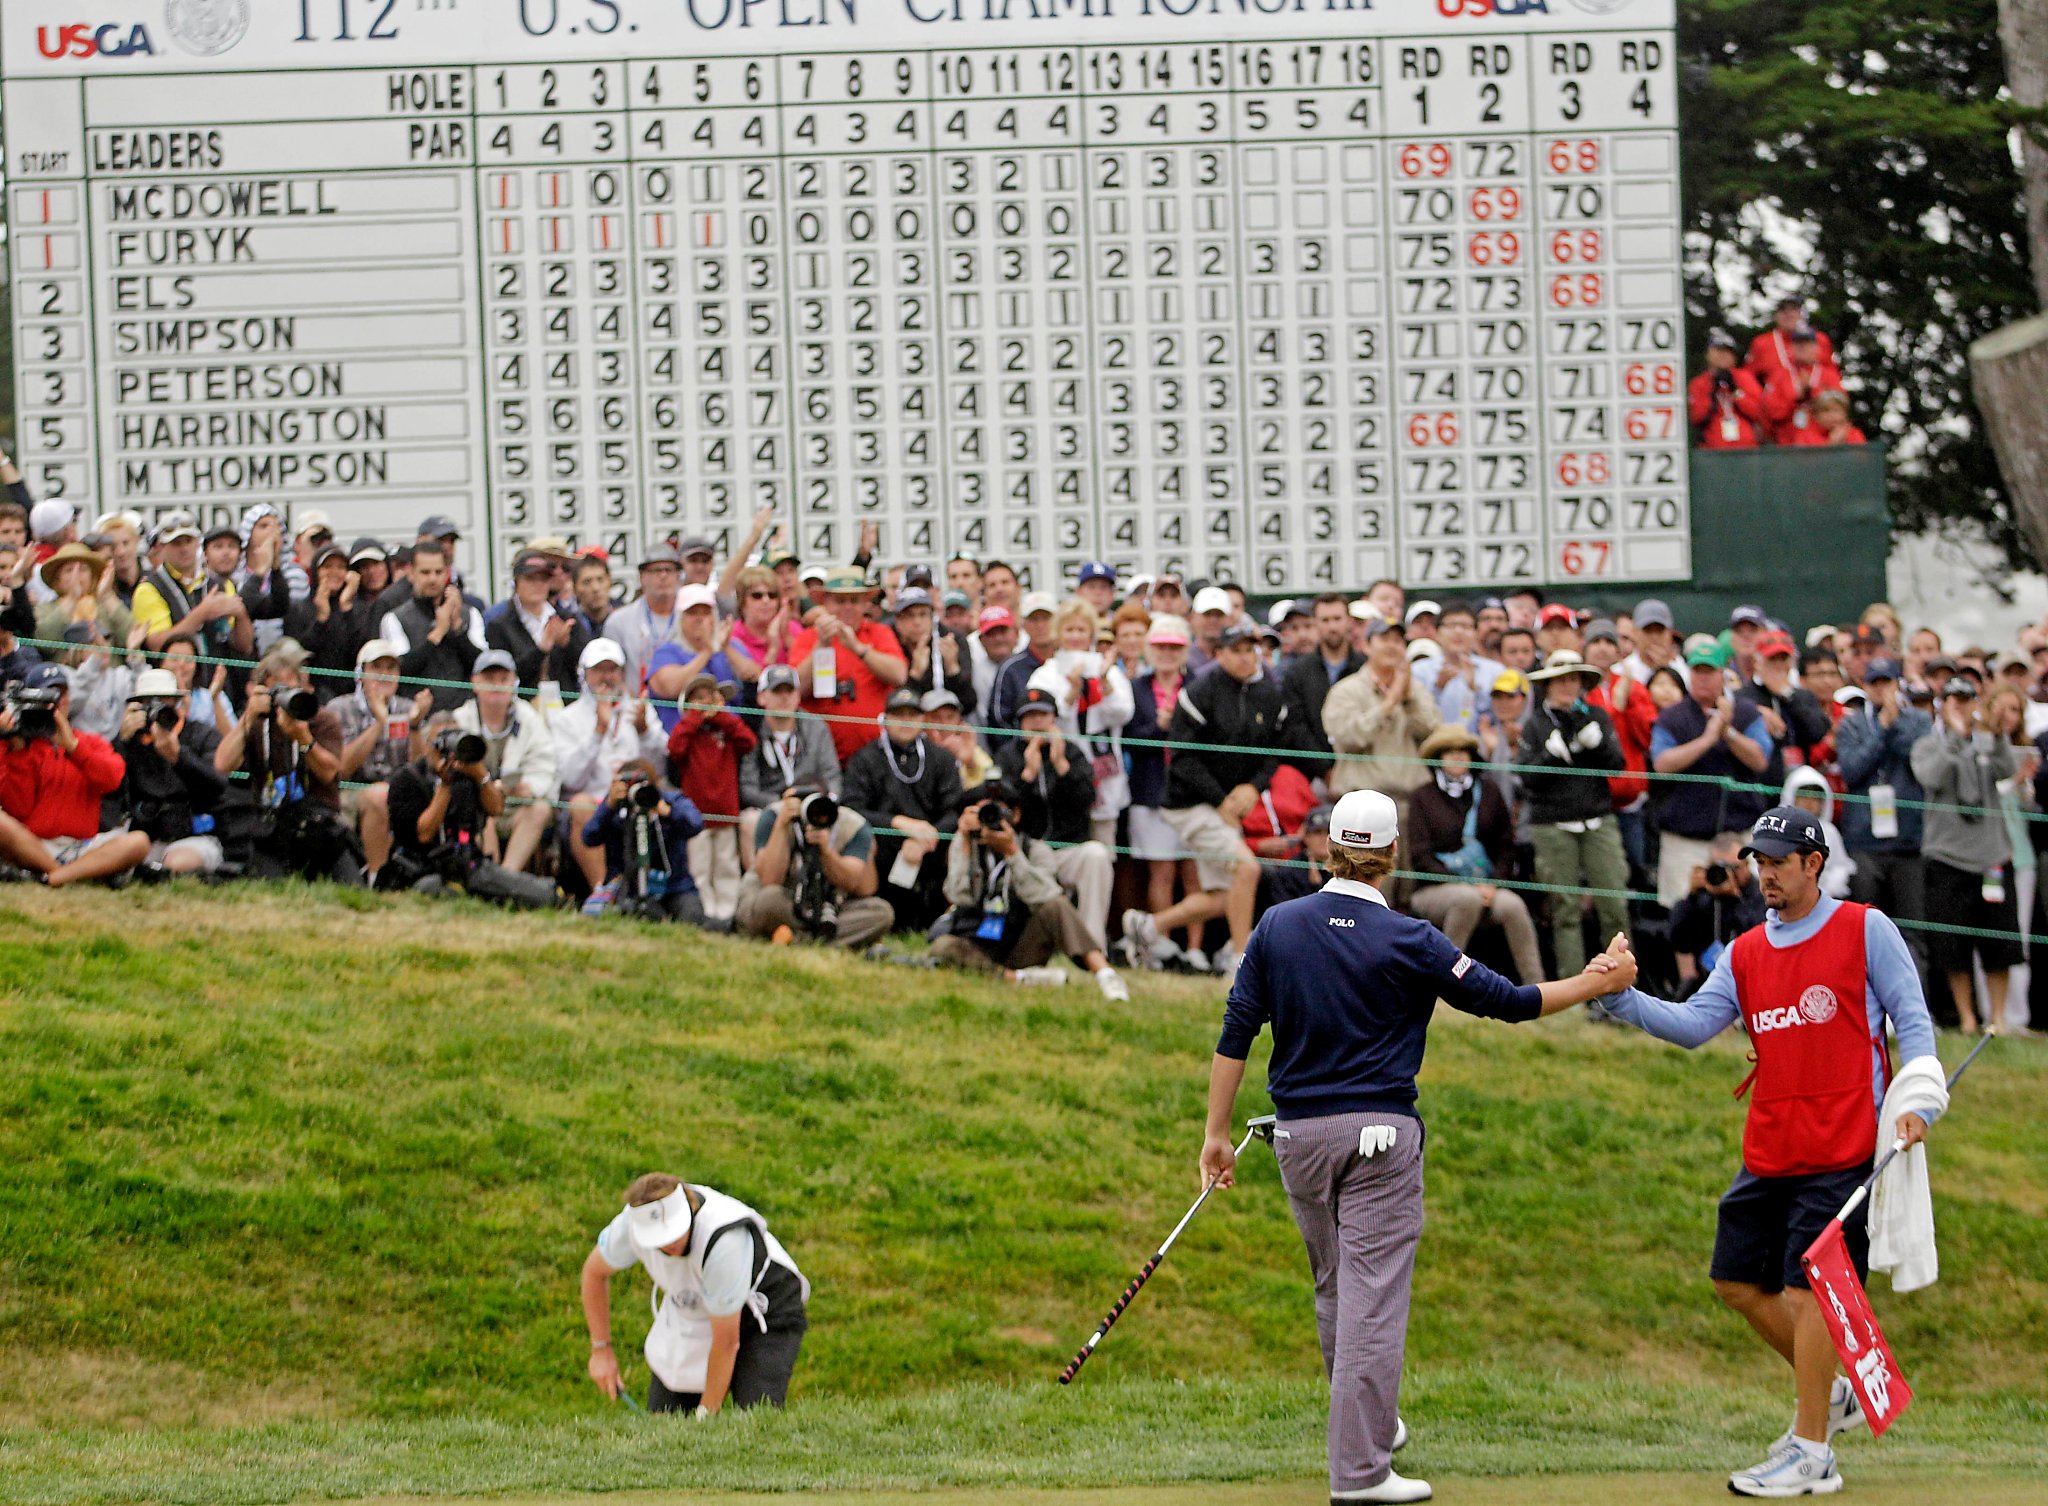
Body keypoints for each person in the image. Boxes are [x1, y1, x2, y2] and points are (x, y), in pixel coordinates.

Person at [1201, 788, 1636, 1506]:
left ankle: (1369, 1424)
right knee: (1371, 1299)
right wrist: (1599, 981)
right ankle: (1361, 1475)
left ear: (1329, 849)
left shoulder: (1278, 925)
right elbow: (1510, 1002)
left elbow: (1236, 1029)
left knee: (1336, 1288)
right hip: (1379, 1137)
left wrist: (1215, 1134)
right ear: (1392, 853)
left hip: (1299, 1138)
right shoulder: (1412, 937)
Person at [1593, 807, 1940, 1499]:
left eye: (1779, 861)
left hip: (1844, 1146)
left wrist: (1920, 1102)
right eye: (1760, 861)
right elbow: (1695, 1023)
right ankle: (1830, 1393)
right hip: (1771, 1145)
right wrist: (1621, 998)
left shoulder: (1865, 928)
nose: (1766, 874)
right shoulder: (1747, 951)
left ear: (1814, 864)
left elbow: (1913, 1021)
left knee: (1809, 1292)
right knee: (1735, 1283)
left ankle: (1813, 1454)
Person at [1120, 623, 1286, 984]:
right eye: (1236, 650)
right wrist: (1221, 799)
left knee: (1226, 894)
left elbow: (1274, 754)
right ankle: (1241, 962)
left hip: (1226, 804)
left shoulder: (1269, 695)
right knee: (1247, 870)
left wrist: (1253, 787)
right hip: (1188, 803)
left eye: (1250, 650)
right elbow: (1183, 758)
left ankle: (1147, 927)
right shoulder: (1200, 692)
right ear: (1219, 654)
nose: (1245, 657)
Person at [581, 1172, 809, 1415]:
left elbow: (727, 1342)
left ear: (690, 1207)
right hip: (697, 1306)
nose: (669, 1244)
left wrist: (705, 1414)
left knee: (755, 1414)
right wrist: (601, 1350)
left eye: (674, 1231)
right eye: (658, 1238)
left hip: (766, 1310)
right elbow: (594, 1273)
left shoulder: (724, 1242)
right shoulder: (631, 1225)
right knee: (665, 1420)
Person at [921, 788, 1129, 999]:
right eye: (982, 812)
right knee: (944, 947)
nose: (989, 819)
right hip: (977, 941)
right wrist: (964, 841)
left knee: (1056, 905)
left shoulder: (1035, 850)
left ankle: (1106, 975)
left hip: (1021, 942)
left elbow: (1046, 895)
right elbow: (957, 896)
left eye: (996, 811)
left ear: (1015, 815)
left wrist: (1012, 854)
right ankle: (1017, 978)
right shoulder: (966, 847)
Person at [1910, 676, 2020, 1035]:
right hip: (1947, 856)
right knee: (1952, 945)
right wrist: (1956, 738)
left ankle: (1998, 1018)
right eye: (1953, 699)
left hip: (1991, 856)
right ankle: (1967, 1017)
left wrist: (1996, 734)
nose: (1960, 706)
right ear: (1942, 705)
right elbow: (1932, 776)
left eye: (1966, 699)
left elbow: (2008, 770)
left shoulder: (1987, 741)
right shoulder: (1928, 744)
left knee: (1999, 942)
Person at [1404, 725, 1544, 985]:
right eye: (1450, 752)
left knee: (1513, 906)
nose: (1457, 757)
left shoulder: (1489, 792)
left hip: (1487, 885)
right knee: (1466, 900)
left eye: (1463, 751)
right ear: (1438, 758)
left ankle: (1537, 988)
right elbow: (1420, 856)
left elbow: (1506, 846)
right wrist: (1464, 883)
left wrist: (1494, 883)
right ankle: (1445, 984)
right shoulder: (1422, 797)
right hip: (1435, 887)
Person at [1518, 651, 1628, 978]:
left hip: (1598, 820)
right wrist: (1549, 756)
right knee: (1565, 909)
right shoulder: (1536, 724)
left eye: (1573, 679)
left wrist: (1598, 744)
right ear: (1548, 684)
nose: (1567, 686)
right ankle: (1573, 990)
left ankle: (1621, 984)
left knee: (1614, 905)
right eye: (1560, 680)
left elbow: (1617, 765)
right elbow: (1527, 780)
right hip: (1552, 824)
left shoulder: (1596, 716)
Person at [214, 641, 359, 883]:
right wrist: (248, 717)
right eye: (279, 689)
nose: (287, 697)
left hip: (320, 825)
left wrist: (304, 738)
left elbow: (329, 772)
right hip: (271, 827)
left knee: (352, 890)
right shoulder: (257, 722)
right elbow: (222, 763)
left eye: (293, 688)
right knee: (272, 890)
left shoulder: (320, 719)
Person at [0, 663, 151, 888]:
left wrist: (73, 747)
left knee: (138, 842)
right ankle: (64, 873)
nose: (56, 703)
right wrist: (13, 747)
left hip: (83, 846)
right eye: (48, 698)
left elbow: (112, 780)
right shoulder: (22, 747)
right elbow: (18, 808)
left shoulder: (90, 742)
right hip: (34, 844)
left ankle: (54, 876)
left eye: (61, 695)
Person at [1834, 657, 1933, 993]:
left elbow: (1918, 758)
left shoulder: (1918, 720)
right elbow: (1852, 770)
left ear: (1897, 684)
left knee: (1912, 931)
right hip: (1864, 843)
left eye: (1886, 682)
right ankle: (1863, 1002)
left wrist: (1891, 725)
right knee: (1864, 930)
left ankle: (1916, 1004)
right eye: (1874, 683)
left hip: (1907, 843)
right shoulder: (1851, 725)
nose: (1881, 690)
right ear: (1866, 686)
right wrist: (1882, 730)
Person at [1651, 644, 1773, 907]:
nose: (1702, 678)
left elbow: (1760, 759)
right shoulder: (1672, 717)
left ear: (1723, 675)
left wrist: (1727, 732)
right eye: (1697, 671)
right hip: (1685, 839)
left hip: (1739, 837)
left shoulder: (1746, 712)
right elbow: (1661, 763)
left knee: (1749, 908)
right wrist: (1707, 739)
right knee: (1683, 910)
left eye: (1709, 671)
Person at [994, 687, 1114, 952]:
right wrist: (1028, 774)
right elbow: (1004, 810)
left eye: (1043, 715)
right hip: (1025, 851)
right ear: (1020, 723)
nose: (1037, 722)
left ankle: (1091, 948)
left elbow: (1087, 799)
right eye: (1029, 717)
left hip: (1066, 850)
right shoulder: (1007, 756)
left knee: (1096, 855)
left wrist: (1061, 766)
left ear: (1054, 719)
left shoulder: (1072, 753)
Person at [554, 637, 669, 896]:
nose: (606, 677)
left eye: (612, 669)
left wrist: (644, 732)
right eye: (598, 670)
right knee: (580, 804)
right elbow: (570, 779)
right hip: (595, 803)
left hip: (637, 799)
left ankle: (655, 891)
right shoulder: (567, 718)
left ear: (622, 673)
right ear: (584, 674)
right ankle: (603, 893)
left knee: (668, 801)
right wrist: (598, 732)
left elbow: (661, 768)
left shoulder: (640, 711)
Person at [840, 687, 962, 930]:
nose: (906, 721)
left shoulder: (941, 759)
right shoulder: (865, 758)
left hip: (932, 844)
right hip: (882, 845)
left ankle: (950, 916)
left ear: (922, 719)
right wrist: (898, 824)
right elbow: (852, 808)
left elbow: (955, 809)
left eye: (912, 714)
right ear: (886, 719)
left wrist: (927, 838)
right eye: (899, 714)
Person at [734, 784, 894, 950]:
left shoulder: (852, 824)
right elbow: (770, 879)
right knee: (768, 899)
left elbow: (863, 888)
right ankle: (827, 940)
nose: (815, 813)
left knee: (881, 912)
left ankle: (796, 938)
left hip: (830, 909)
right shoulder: (774, 815)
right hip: (785, 901)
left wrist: (826, 851)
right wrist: (782, 825)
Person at [782, 568, 908, 765]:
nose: (847, 607)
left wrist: (859, 648)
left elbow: (899, 675)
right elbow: (796, 689)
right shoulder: (808, 638)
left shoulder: (879, 633)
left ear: (865, 604)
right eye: (840, 601)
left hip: (877, 757)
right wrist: (821, 646)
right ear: (825, 603)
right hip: (821, 758)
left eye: (854, 600)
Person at [451, 651, 559, 876]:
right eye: (489, 679)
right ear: (475, 683)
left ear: (514, 682)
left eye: (503, 679)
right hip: (478, 805)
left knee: (540, 809)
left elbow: (545, 764)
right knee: (481, 811)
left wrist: (529, 788)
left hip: (515, 805)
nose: (497, 685)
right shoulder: (460, 719)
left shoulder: (530, 719)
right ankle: (488, 875)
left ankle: (508, 877)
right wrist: (487, 788)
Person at [330, 640, 427, 885]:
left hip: (399, 793)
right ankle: (377, 879)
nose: (385, 674)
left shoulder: (408, 708)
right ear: (361, 674)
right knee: (379, 795)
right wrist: (379, 723)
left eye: (391, 668)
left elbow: (419, 770)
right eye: (377, 667)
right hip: (350, 791)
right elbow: (342, 768)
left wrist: (415, 727)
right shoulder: (340, 708)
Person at [116, 668, 229, 877]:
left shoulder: (202, 735)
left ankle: (157, 873)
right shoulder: (131, 741)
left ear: (176, 701)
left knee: (176, 863)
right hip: (143, 836)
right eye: (148, 702)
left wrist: (178, 756)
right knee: (122, 854)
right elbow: (109, 790)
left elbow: (217, 784)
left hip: (194, 835)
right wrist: (121, 744)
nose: (156, 707)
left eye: (163, 700)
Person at [667, 672, 756, 924]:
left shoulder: (725, 730)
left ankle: (727, 915)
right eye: (700, 698)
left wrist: (721, 716)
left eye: (711, 697)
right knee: (700, 867)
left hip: (725, 812)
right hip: (697, 817)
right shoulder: (687, 732)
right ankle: (705, 914)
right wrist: (695, 716)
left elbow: (748, 741)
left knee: (726, 865)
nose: (707, 703)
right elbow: (675, 748)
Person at [1324, 616, 1442, 802]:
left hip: (1412, 799)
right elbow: (1347, 738)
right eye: (1384, 639)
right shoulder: (1346, 690)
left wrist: (1409, 701)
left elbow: (1433, 734)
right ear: (1366, 646)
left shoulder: (1416, 690)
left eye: (1398, 641)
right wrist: (1388, 705)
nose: (1391, 646)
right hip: (1360, 797)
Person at [579, 760, 707, 923]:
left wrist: (666, 811)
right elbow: (589, 837)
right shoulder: (617, 807)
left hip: (675, 887)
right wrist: (609, 805)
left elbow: (695, 824)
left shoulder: (670, 800)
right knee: (632, 915)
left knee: (692, 916)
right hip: (630, 889)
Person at [381, 541, 485, 714]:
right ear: (411, 573)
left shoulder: (470, 613)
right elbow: (401, 670)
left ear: (447, 573)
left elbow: (482, 666)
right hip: (417, 714)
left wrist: (458, 628)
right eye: (425, 572)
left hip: (465, 714)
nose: (432, 579)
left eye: (438, 572)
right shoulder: (394, 618)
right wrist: (437, 634)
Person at [1280, 592, 1365, 780]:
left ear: (1349, 621)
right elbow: (1296, 727)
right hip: (1313, 775)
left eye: (1337, 619)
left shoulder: (1365, 667)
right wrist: (1325, 770)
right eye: (1325, 620)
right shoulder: (1297, 672)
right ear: (1316, 623)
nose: (1332, 627)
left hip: (1362, 771)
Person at [1667, 831, 1768, 988]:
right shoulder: (1705, 896)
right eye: (1719, 867)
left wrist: (1735, 899)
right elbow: (1678, 940)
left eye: (1733, 868)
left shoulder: (1763, 894)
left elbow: (1759, 939)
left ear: (1746, 865)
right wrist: (1691, 897)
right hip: (1708, 982)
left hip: (1750, 980)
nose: (1727, 874)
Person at [485, 549, 587, 695]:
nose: (537, 585)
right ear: (516, 582)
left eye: (543, 579)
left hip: (564, 703)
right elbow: (504, 674)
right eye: (530, 579)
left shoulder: (567, 619)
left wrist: (566, 644)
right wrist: (541, 650)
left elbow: (585, 664)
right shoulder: (500, 626)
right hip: (520, 703)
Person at [603, 543, 687, 696]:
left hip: (684, 703)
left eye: (668, 570)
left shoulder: (693, 617)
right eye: (656, 570)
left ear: (678, 576)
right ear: (642, 577)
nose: (663, 576)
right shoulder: (618, 622)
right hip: (635, 703)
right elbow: (610, 672)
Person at [1761, 326, 1844, 445]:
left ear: (1817, 348)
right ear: (1790, 348)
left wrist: (1812, 392)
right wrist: (1797, 398)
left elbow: (1840, 410)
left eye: (1808, 343)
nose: (1803, 347)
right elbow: (1771, 412)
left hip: (1821, 444)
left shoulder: (1830, 375)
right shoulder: (1778, 375)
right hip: (1785, 444)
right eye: (1798, 343)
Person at [1690, 328, 1766, 448]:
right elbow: (1696, 417)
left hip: (1746, 448)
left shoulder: (1745, 377)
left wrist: (1736, 392)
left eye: (1728, 351)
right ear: (1708, 354)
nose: (1724, 355)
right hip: (1713, 449)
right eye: (1719, 350)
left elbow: (1759, 413)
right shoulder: (1699, 383)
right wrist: (1712, 393)